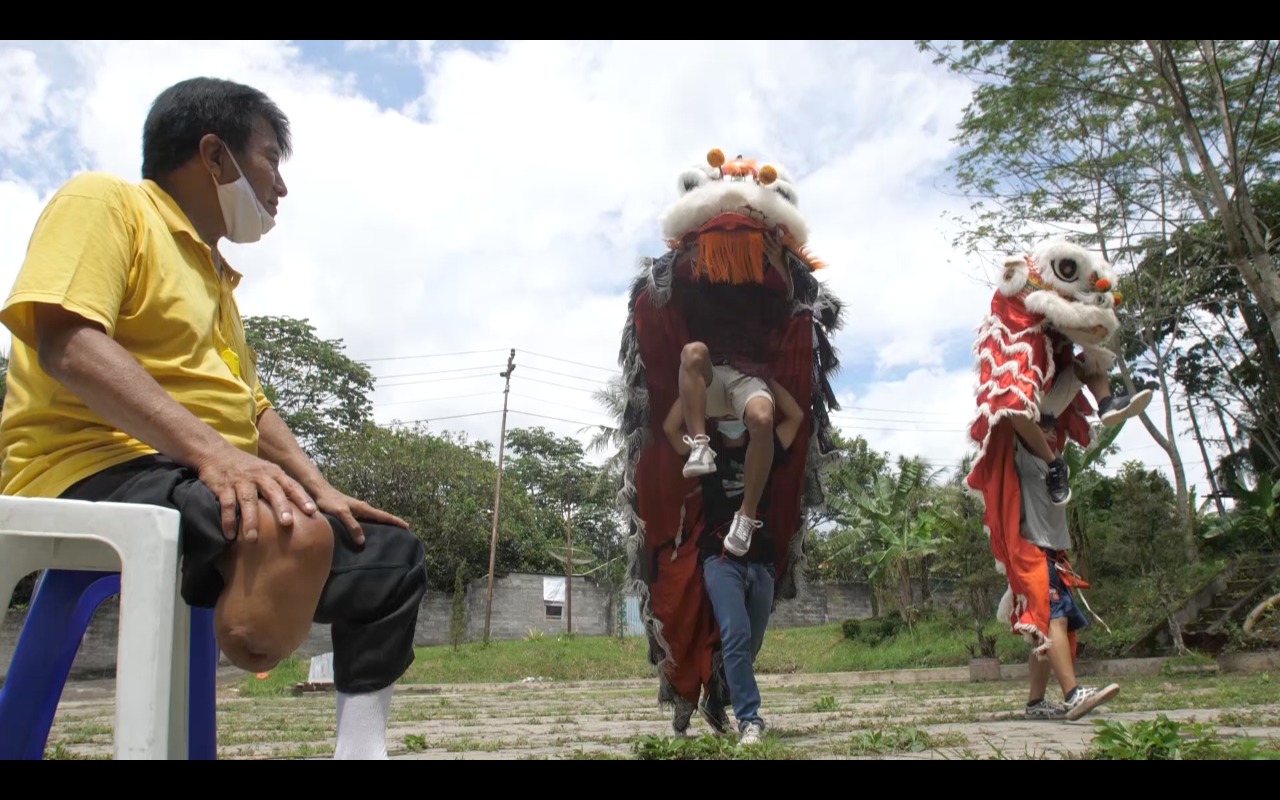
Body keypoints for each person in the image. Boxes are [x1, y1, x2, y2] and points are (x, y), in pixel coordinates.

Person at [0, 77, 427, 760]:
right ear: (215, 156)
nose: (281, 187)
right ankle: (260, 576)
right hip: (94, 467)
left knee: (387, 555)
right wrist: (214, 455)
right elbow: (67, 342)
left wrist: (318, 485)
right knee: (284, 532)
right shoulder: (108, 203)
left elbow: (252, 410)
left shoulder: (216, 281)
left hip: (197, 480)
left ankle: (361, 752)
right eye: (270, 159)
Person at [664, 377, 804, 743]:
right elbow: (669, 427)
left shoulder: (766, 445)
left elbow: (795, 415)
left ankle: (717, 700)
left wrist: (761, 378)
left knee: (749, 644)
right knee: (736, 634)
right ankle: (750, 720)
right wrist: (710, 383)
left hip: (762, 561)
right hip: (721, 558)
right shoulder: (705, 455)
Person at [674, 234, 793, 558]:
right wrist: (691, 255)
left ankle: (746, 515)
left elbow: (789, 302)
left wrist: (781, 264)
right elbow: (671, 280)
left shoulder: (761, 292)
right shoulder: (699, 286)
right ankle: (700, 446)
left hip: (748, 378)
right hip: (713, 376)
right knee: (692, 352)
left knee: (762, 419)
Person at [1013, 412, 1119, 721]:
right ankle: (1073, 695)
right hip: (1031, 550)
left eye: (1052, 429)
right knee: (1053, 620)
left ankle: (1035, 703)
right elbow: (1017, 419)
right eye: (1042, 429)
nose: (1049, 434)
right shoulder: (1022, 456)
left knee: (1041, 632)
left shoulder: (1057, 462)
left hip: (1054, 555)